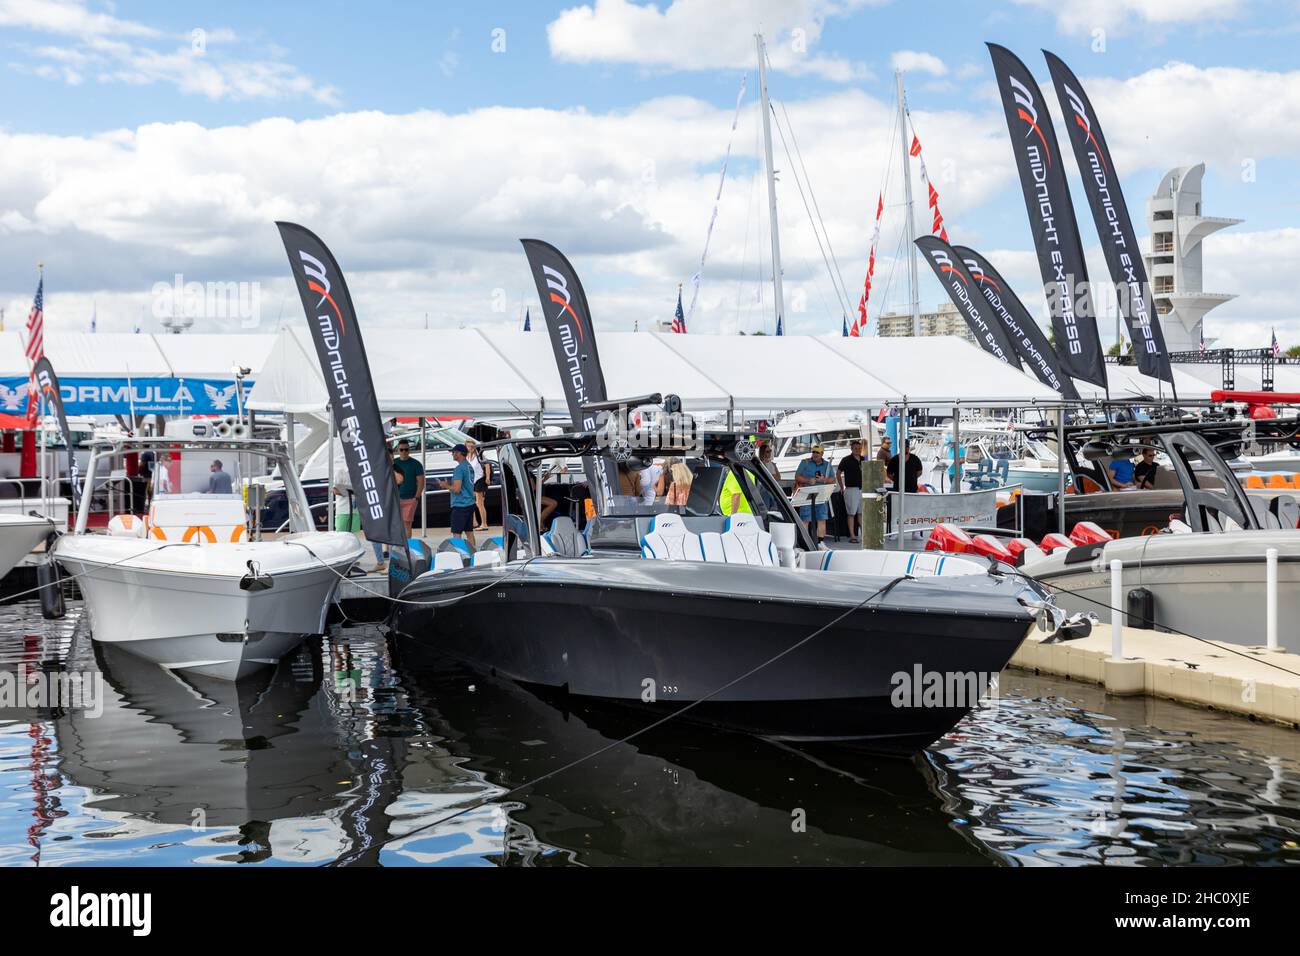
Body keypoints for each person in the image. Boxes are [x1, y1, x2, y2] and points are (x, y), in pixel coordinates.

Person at [334, 466, 387, 572]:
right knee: (341, 536)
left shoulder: (363, 471)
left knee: (355, 536)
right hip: (343, 509)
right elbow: (335, 489)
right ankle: (345, 560)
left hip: (359, 509)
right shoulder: (340, 471)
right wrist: (349, 492)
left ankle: (379, 561)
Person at [439, 443, 477, 548]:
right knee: (469, 532)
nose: (452, 454)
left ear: (459, 453)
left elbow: (456, 489)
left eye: (454, 452)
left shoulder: (459, 469)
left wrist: (446, 485)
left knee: (457, 533)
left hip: (460, 505)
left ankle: (460, 554)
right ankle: (473, 553)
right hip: (470, 503)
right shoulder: (469, 466)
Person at [794, 444, 835, 540]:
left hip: (821, 494)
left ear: (822, 453)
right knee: (805, 519)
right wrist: (808, 480)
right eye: (813, 452)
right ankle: (805, 541)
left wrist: (824, 480)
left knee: (822, 519)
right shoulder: (805, 462)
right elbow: (797, 476)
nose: (815, 454)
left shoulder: (827, 465)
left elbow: (833, 480)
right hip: (806, 493)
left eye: (817, 452)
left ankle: (820, 542)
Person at [392, 439, 425, 537]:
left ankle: (407, 546)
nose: (404, 452)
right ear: (398, 450)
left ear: (409, 450)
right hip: (396, 498)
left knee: (407, 524)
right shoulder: (394, 463)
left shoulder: (416, 464)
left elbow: (421, 482)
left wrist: (416, 497)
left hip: (410, 499)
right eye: (401, 450)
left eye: (406, 449)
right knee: (396, 524)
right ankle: (398, 546)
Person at [836, 439, 865, 543]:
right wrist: (842, 487)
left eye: (859, 448)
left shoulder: (863, 459)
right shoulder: (846, 459)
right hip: (851, 489)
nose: (857, 450)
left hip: (862, 489)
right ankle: (852, 535)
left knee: (861, 513)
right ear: (852, 449)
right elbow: (838, 473)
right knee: (851, 513)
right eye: (855, 448)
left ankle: (863, 535)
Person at [465, 438, 491, 530]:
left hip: (480, 480)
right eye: (468, 446)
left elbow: (487, 465)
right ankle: (474, 522)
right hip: (472, 481)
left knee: (480, 503)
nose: (470, 448)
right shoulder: (467, 456)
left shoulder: (480, 455)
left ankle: (484, 524)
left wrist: (487, 477)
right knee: (471, 502)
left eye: (472, 446)